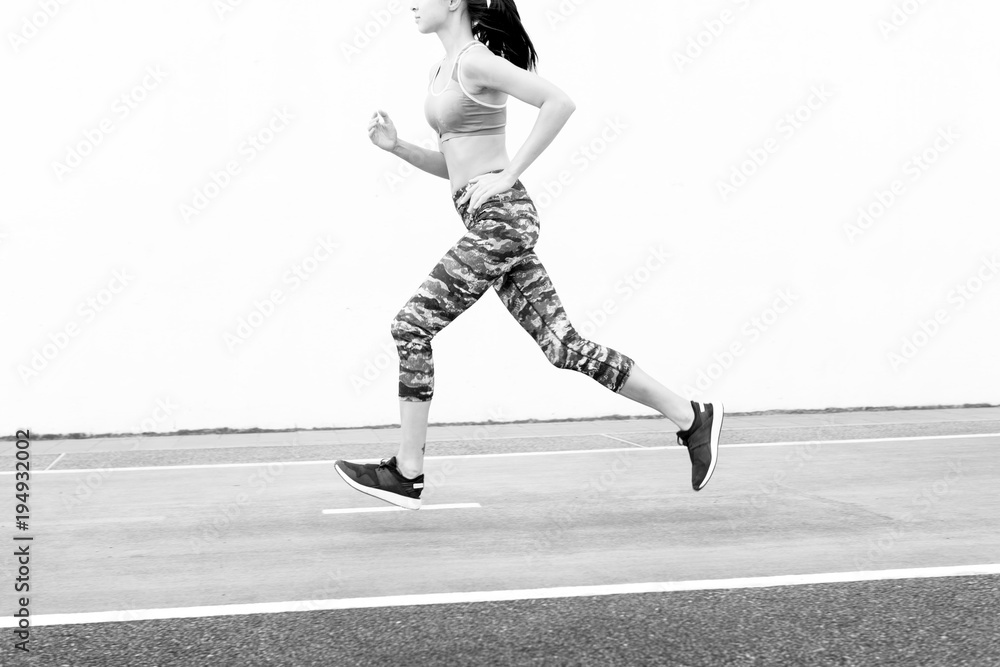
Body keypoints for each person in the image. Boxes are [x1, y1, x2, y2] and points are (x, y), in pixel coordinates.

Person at [334, 0, 723, 510]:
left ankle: (407, 473)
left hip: (503, 220)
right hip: (488, 221)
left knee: (411, 326)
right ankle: (693, 417)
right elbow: (455, 165)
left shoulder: (475, 61)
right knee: (563, 346)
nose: (409, 3)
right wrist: (398, 147)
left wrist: (509, 174)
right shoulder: (441, 69)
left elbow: (558, 102)